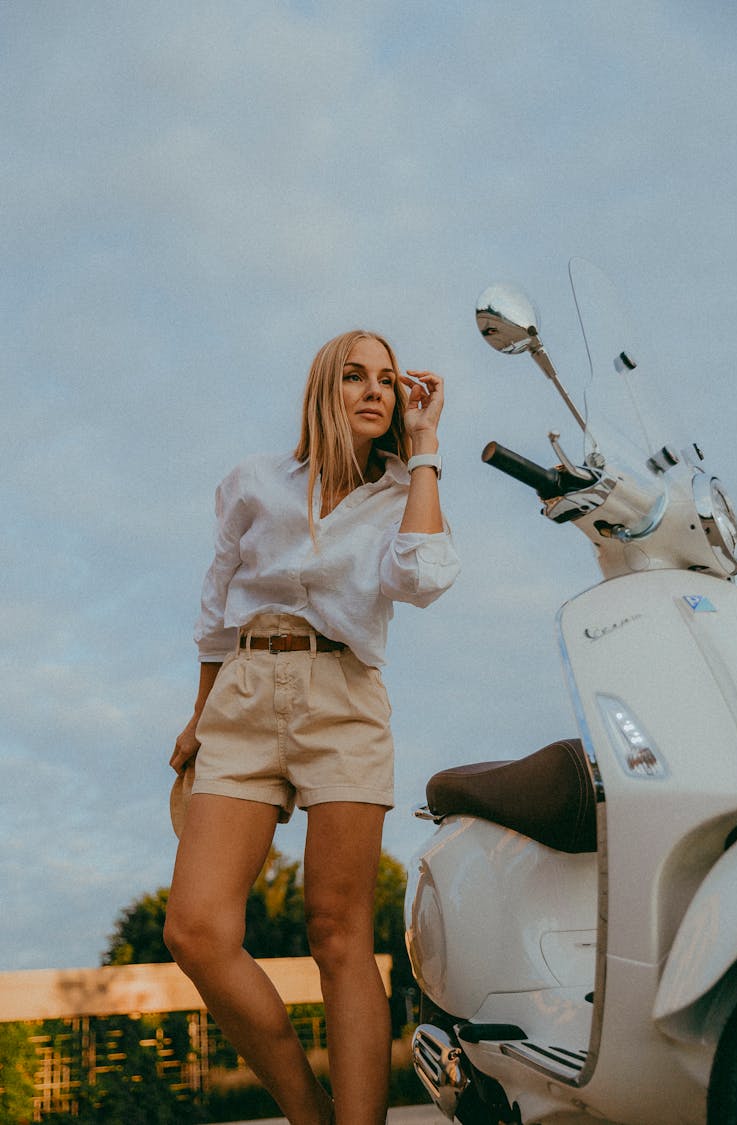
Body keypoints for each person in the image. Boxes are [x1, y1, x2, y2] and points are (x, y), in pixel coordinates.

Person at [164, 329, 460, 1125]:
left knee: (338, 932)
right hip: (244, 693)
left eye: (388, 381)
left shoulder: (404, 489)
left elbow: (424, 577)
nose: (373, 390)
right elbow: (215, 606)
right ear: (323, 389)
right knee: (195, 928)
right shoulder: (254, 481)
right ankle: (309, 1111)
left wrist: (425, 447)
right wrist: (199, 713)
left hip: (344, 699)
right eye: (353, 376)